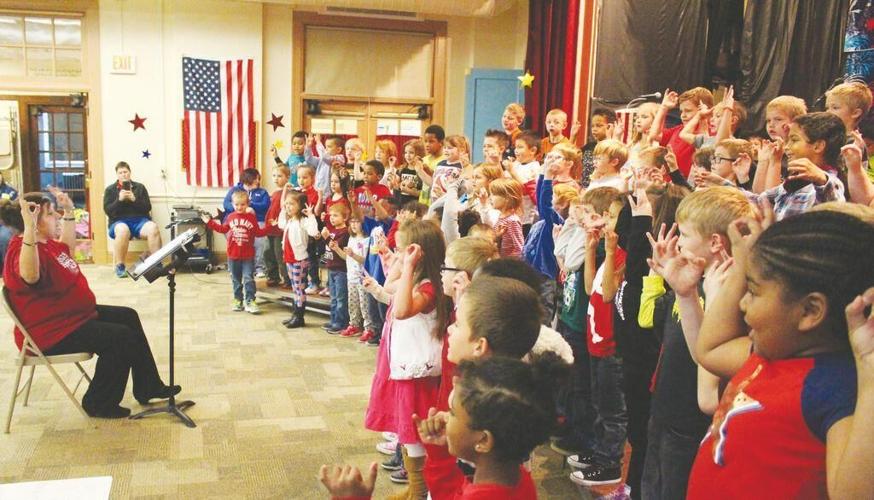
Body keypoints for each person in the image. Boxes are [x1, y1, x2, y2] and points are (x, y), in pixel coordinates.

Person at [689, 210, 874, 498]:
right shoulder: (771, 353)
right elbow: (711, 348)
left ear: (810, 311)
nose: (742, 303)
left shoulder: (837, 387)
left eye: (753, 291)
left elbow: (852, 494)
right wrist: (743, 264)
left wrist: (870, 370)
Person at [3, 190, 179, 418]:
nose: (56, 216)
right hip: (50, 333)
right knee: (120, 337)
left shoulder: (46, 244)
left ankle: (148, 386)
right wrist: (29, 228)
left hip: (72, 318)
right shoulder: (21, 249)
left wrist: (69, 211)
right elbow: (30, 276)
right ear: (33, 222)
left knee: (128, 316)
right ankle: (98, 403)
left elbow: (67, 249)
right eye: (50, 214)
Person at [637, 186, 753, 500]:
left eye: (685, 235)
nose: (678, 242)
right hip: (667, 410)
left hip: (690, 426)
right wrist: (685, 294)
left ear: (715, 242)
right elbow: (701, 350)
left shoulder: (733, 294)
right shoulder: (703, 280)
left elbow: (708, 391)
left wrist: (707, 301)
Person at [321, 355, 566, 500]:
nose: (445, 418)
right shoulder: (515, 477)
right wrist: (439, 454)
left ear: (483, 440)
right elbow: (451, 494)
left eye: (453, 413)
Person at [364, 220, 449, 500]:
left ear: (419, 253)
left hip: (419, 373)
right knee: (407, 431)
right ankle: (416, 487)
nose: (398, 255)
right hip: (405, 367)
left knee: (415, 432)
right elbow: (391, 288)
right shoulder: (415, 280)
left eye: (402, 250)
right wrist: (400, 264)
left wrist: (408, 266)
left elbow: (401, 310)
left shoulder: (429, 287)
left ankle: (420, 490)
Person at [569, 187, 628, 486]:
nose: (605, 220)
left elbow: (607, 295)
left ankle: (609, 464)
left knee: (612, 410)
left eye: (612, 216)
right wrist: (592, 248)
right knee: (598, 403)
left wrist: (610, 249)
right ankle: (598, 451)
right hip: (596, 342)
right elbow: (590, 286)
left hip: (611, 347)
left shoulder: (624, 255)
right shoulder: (609, 252)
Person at [203, 190, 268, 314]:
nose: (239, 207)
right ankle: (238, 300)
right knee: (236, 280)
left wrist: (270, 227)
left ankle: (250, 301)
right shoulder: (230, 217)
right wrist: (210, 223)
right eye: (236, 204)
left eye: (242, 204)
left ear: (248, 204)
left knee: (248, 278)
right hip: (233, 255)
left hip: (248, 255)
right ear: (232, 204)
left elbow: (258, 232)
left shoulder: (251, 218)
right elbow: (223, 229)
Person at [103, 161, 162, 278]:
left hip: (140, 221)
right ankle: (120, 266)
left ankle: (157, 264)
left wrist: (134, 199)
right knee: (123, 230)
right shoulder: (110, 190)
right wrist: (119, 200)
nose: (123, 175)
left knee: (153, 227)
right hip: (118, 223)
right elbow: (108, 211)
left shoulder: (140, 188)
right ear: (117, 175)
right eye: (120, 172)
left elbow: (147, 208)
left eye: (125, 172)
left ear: (130, 173)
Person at [649, 87, 714, 177]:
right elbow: (654, 135)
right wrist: (664, 107)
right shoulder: (679, 129)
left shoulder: (710, 133)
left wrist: (702, 117)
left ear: (703, 109)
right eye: (681, 111)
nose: (683, 115)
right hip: (670, 183)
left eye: (688, 111)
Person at [278, 188, 319, 328]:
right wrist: (283, 210)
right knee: (295, 288)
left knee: (299, 288)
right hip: (289, 259)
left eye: (291, 204)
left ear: (300, 206)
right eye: (286, 204)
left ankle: (299, 316)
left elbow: (313, 231)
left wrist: (311, 215)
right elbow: (280, 224)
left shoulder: (303, 221)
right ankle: (295, 313)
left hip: (299, 260)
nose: (288, 207)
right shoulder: (290, 221)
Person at [222, 167, 271, 277]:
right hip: (236, 221)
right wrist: (241, 210)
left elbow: (266, 206)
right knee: (235, 239)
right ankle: (234, 267)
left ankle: (259, 268)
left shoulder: (262, 192)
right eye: (255, 179)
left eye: (258, 179)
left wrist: (251, 205)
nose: (258, 181)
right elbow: (226, 204)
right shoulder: (234, 190)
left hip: (257, 221)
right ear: (248, 178)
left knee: (260, 242)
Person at [323, 203, 351, 334]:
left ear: (344, 217)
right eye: (331, 215)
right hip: (331, 267)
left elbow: (334, 246)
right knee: (333, 297)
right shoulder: (333, 231)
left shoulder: (345, 233)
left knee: (340, 298)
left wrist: (326, 238)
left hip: (340, 269)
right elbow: (328, 247)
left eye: (335, 215)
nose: (332, 218)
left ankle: (341, 322)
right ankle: (334, 319)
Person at [479, 178, 524, 259]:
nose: (490, 198)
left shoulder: (512, 221)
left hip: (508, 263)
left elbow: (520, 246)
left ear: (507, 198)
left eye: (493, 194)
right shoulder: (500, 216)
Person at [263, 164, 293, 288]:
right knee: (267, 252)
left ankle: (287, 278)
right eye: (274, 175)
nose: (276, 178)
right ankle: (273, 276)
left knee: (279, 254)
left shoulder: (288, 192)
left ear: (287, 177)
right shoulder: (274, 193)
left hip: (279, 230)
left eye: (279, 176)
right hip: (270, 228)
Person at [582, 108, 617, 187]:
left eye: (599, 126)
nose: (594, 129)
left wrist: (609, 137)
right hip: (586, 189)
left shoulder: (615, 148)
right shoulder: (588, 147)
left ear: (610, 126)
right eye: (592, 126)